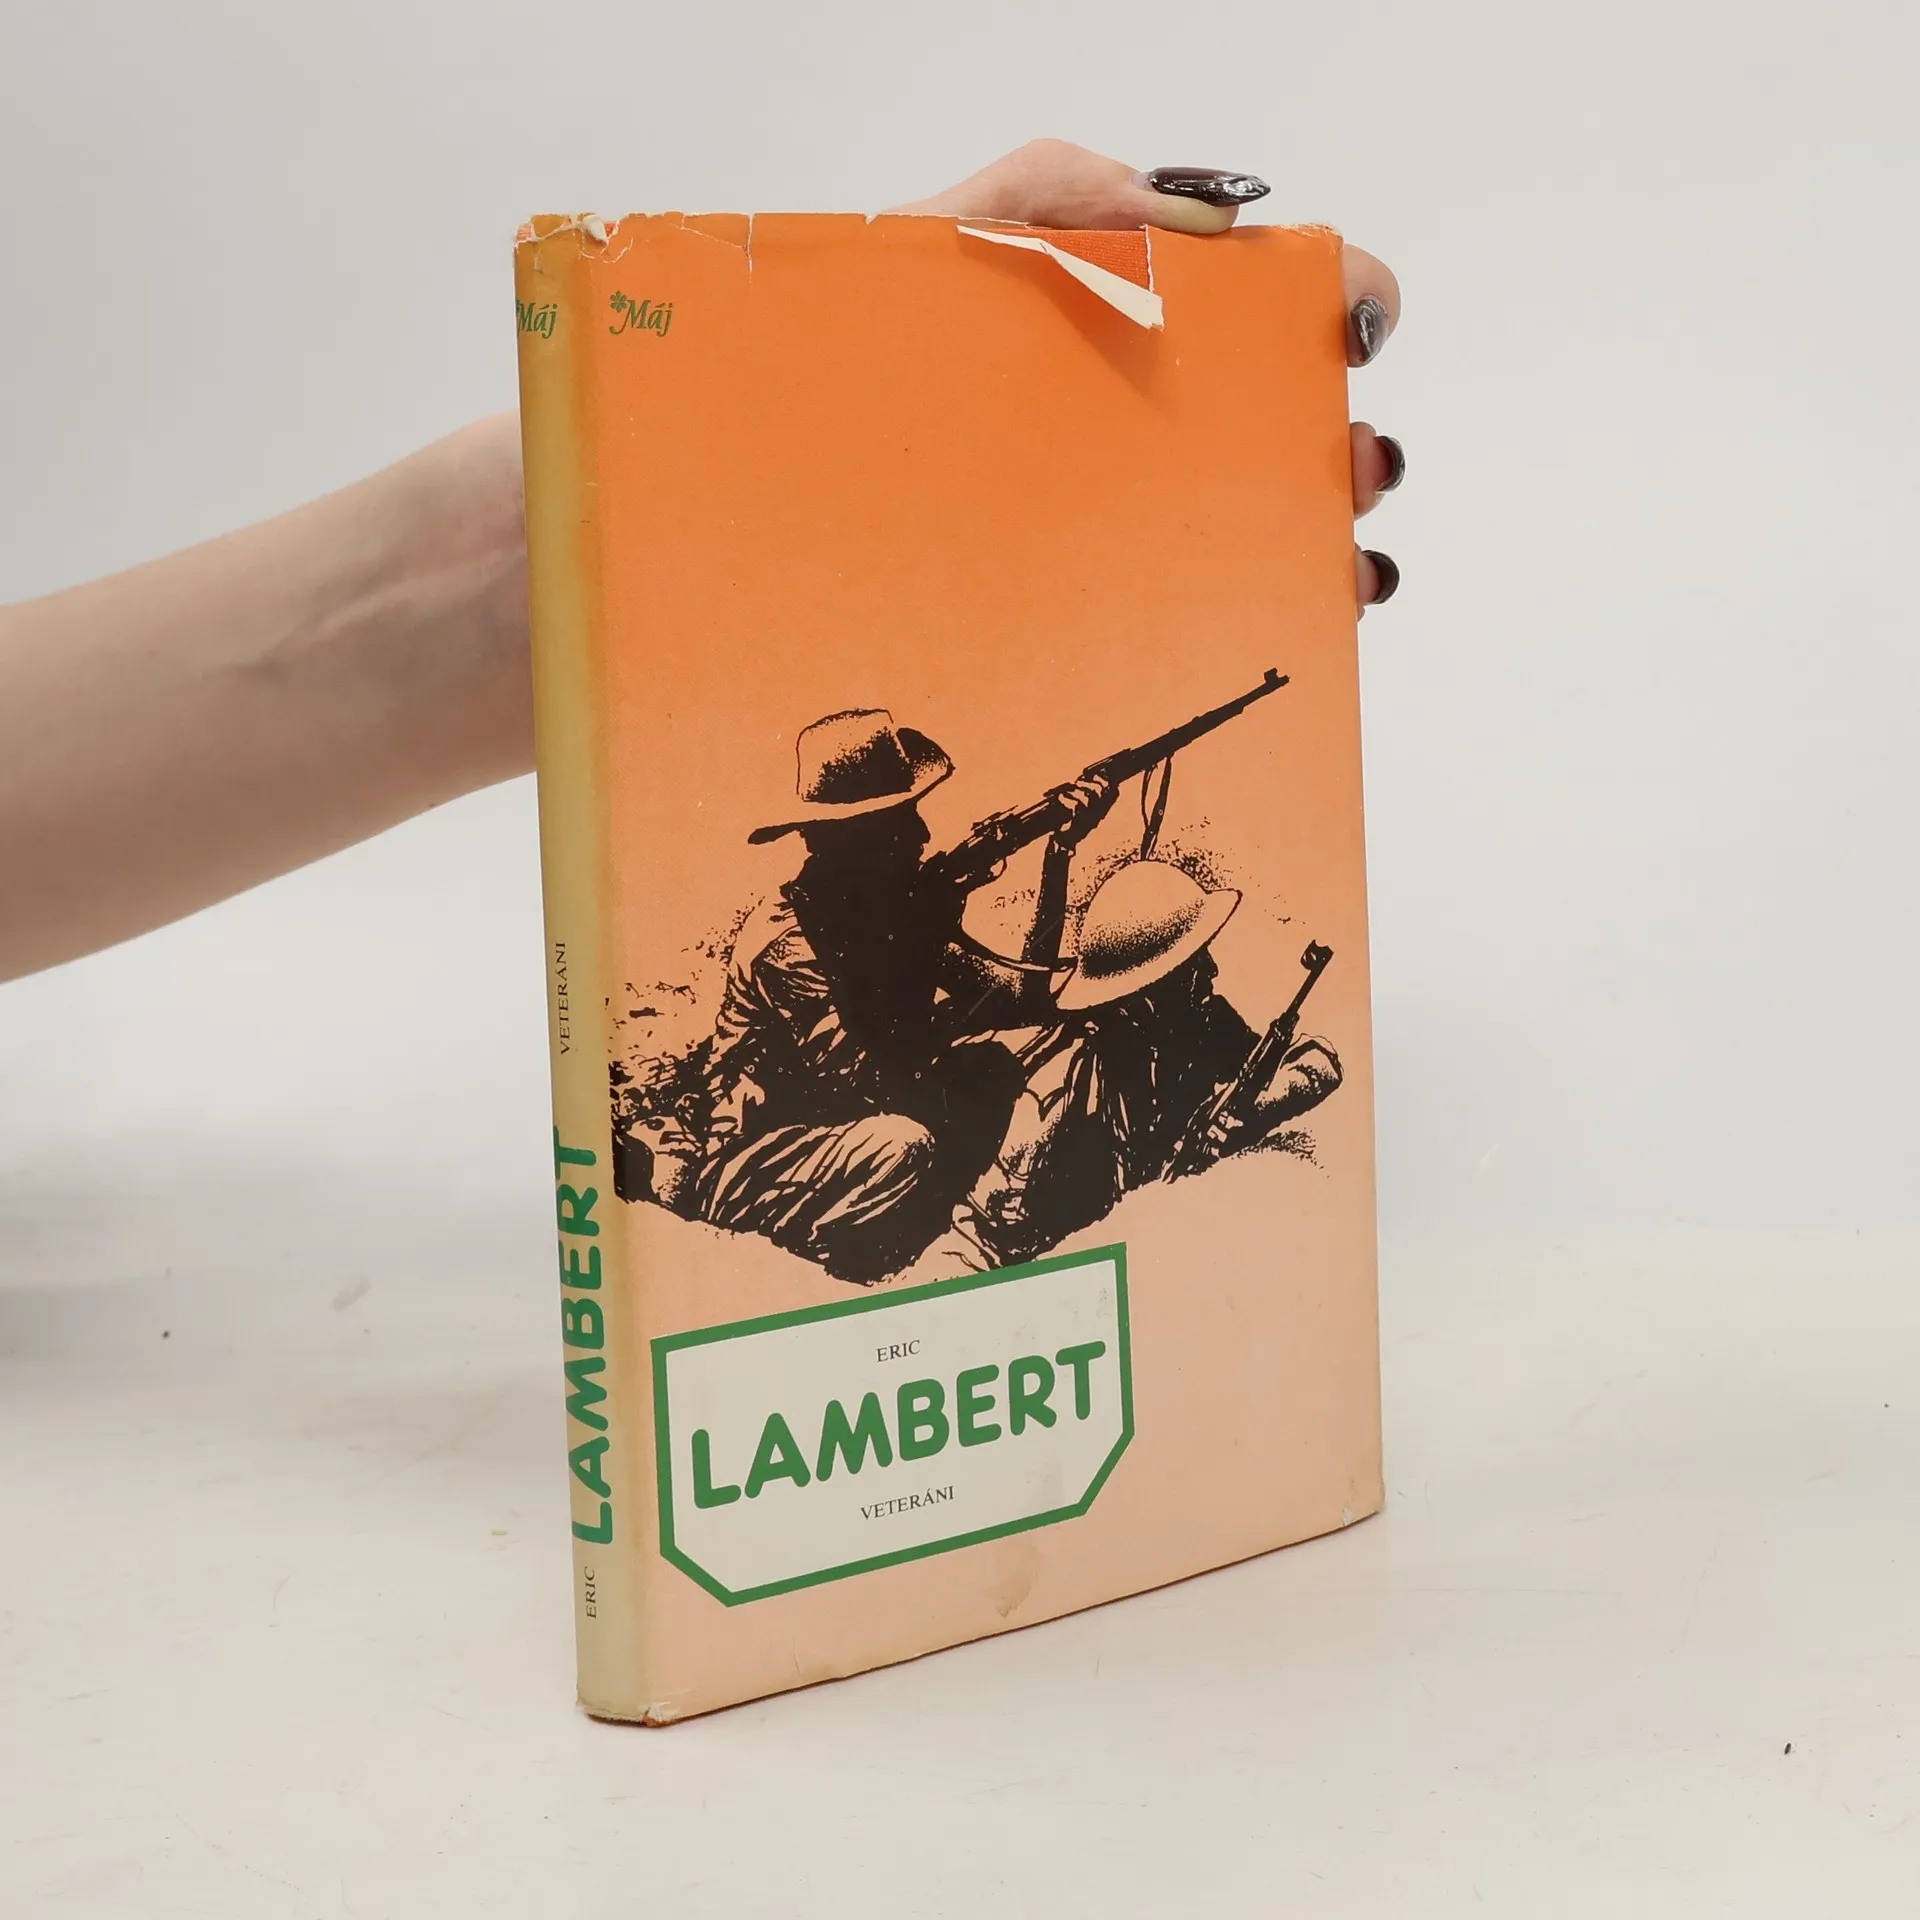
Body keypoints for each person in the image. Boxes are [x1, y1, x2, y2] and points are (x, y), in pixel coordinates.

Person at [0, 141, 1403, 988]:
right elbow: (1001, 999)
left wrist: (547, 565)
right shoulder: (824, 924)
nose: (920, 825)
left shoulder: (891, 882)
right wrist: (1068, 847)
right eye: (900, 810)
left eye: (911, 806)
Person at [683, 707, 1116, 1283]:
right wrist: (929, 933)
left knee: (995, 1066)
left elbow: (1022, 998)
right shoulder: (787, 940)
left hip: (849, 1143)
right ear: (841, 841)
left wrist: (1058, 855)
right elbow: (870, 1077)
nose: (922, 836)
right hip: (758, 1165)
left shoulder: (893, 912)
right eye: (898, 822)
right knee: (902, 1143)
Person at [943, 858, 1343, 1272]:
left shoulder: (1206, 1023)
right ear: (1149, 991)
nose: (1212, 970)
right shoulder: (1061, 1088)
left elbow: (1320, 1064)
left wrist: (1258, 1111)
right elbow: (980, 1240)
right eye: (1193, 963)